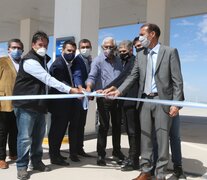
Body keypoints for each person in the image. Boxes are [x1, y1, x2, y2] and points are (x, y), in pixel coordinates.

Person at [106, 23, 184, 180]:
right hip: (144, 101)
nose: (140, 37)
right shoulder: (141, 55)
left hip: (163, 101)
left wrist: (176, 104)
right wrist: (119, 91)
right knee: (145, 137)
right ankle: (146, 170)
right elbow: (132, 76)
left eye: (142, 34)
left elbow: (178, 82)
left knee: (162, 139)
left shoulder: (169, 52)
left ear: (152, 34)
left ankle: (160, 174)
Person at [12, 31, 81, 180]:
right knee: (25, 138)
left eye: (45, 45)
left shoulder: (42, 60)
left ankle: (36, 162)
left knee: (38, 137)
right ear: (33, 45)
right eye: (40, 45)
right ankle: (22, 167)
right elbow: (47, 79)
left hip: (39, 105)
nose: (43, 47)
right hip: (26, 105)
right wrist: (70, 89)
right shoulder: (30, 61)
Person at [86, 37, 125, 166]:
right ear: (102, 48)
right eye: (106, 47)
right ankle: (101, 154)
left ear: (115, 47)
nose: (108, 49)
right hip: (103, 99)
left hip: (117, 98)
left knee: (117, 126)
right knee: (103, 126)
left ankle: (117, 151)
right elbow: (92, 76)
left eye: (111, 47)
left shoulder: (119, 61)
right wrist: (89, 88)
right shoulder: (98, 61)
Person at [103, 40, 140, 171]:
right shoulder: (123, 62)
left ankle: (134, 159)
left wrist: (107, 88)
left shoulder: (133, 61)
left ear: (131, 51)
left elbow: (124, 77)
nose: (121, 53)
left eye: (124, 51)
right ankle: (132, 157)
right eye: (120, 51)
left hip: (131, 100)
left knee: (133, 131)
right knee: (130, 131)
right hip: (123, 100)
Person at [48, 40, 80, 165]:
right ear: (63, 51)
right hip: (59, 105)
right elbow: (60, 82)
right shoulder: (58, 65)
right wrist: (75, 90)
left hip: (66, 104)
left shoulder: (68, 64)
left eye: (73, 51)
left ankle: (56, 153)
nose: (71, 53)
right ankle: (54, 156)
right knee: (57, 130)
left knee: (61, 130)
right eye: (68, 51)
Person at [0, 39, 24, 169]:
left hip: (19, 103)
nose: (16, 50)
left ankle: (13, 153)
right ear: (8, 49)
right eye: (14, 47)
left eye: (19, 48)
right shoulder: (2, 61)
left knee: (15, 130)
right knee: (2, 131)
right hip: (3, 101)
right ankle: (1, 157)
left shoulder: (24, 63)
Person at [72, 39, 93, 157]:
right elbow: (77, 75)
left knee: (82, 124)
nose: (85, 49)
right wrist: (80, 88)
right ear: (79, 49)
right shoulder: (78, 60)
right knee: (76, 124)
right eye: (83, 47)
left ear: (91, 47)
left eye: (87, 46)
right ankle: (74, 151)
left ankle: (80, 148)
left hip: (86, 96)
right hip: (79, 97)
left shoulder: (90, 60)